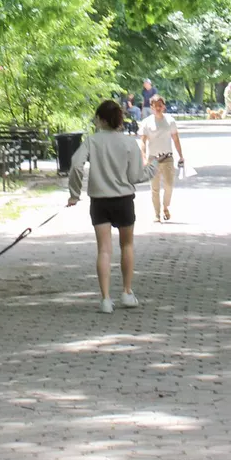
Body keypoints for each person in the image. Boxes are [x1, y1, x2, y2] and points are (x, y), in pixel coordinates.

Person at [67, 98, 148, 313]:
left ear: (101, 119)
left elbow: (76, 164)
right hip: (123, 199)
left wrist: (74, 194)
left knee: (103, 249)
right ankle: (127, 292)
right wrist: (154, 168)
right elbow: (136, 176)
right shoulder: (129, 143)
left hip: (99, 201)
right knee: (127, 246)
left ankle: (105, 299)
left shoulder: (92, 141)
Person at [139, 95, 184, 222]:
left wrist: (181, 155)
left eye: (160, 105)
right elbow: (142, 141)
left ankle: (165, 206)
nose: (158, 108)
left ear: (164, 106)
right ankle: (157, 214)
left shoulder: (170, 121)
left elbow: (175, 138)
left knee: (169, 185)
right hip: (153, 159)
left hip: (168, 157)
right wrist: (143, 157)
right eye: (155, 106)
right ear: (151, 107)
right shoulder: (147, 122)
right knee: (154, 188)